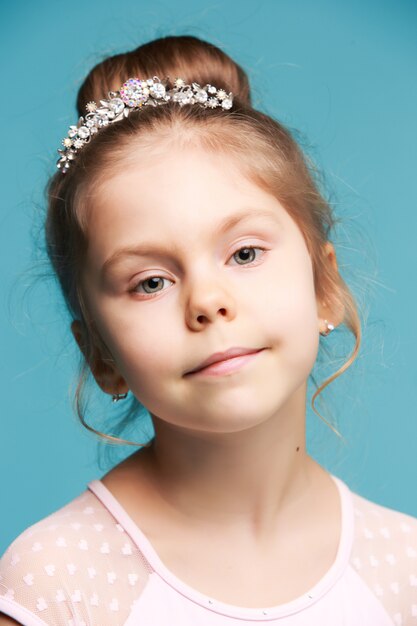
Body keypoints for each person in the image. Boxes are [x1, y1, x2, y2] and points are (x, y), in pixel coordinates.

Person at [0, 34, 416, 626]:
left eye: (244, 254)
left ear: (325, 287)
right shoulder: (56, 584)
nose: (208, 302)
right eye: (150, 282)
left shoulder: (405, 571)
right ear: (100, 354)